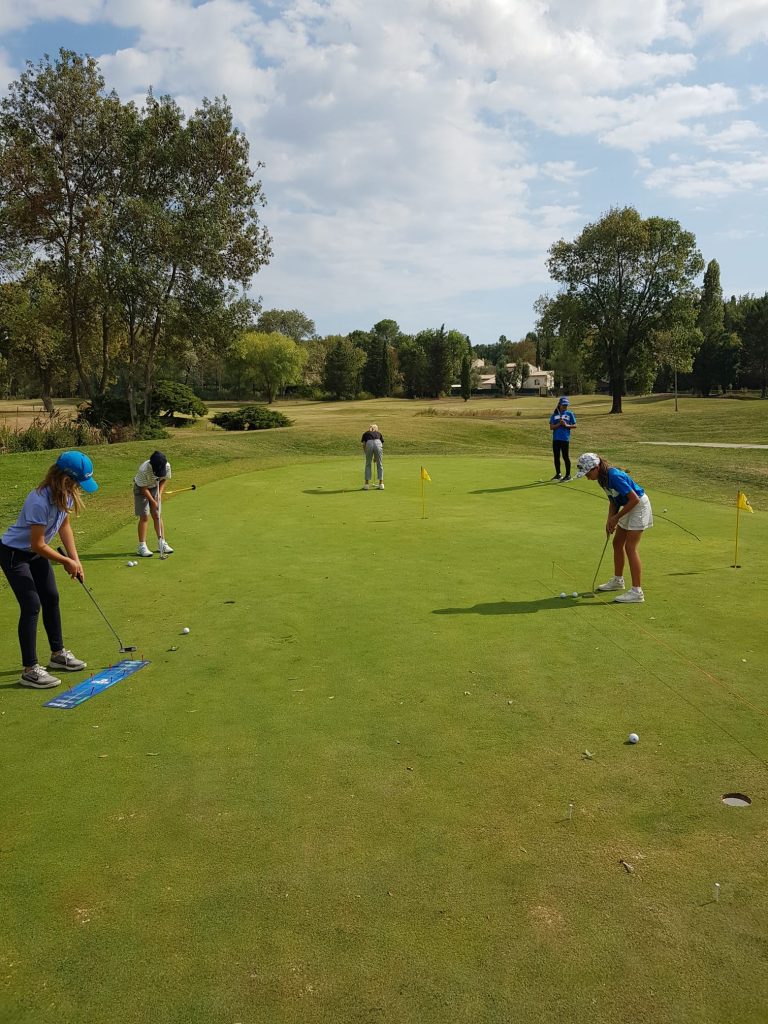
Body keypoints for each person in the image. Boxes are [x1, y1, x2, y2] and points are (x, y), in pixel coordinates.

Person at [0, 451, 97, 688]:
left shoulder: (66, 495)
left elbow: (64, 526)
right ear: (65, 478)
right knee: (32, 605)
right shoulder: (38, 500)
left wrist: (75, 559)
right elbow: (37, 543)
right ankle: (30, 670)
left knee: (51, 597)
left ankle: (57, 654)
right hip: (14, 554)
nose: (79, 488)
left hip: (36, 553)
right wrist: (65, 562)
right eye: (77, 482)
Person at [575, 452, 653, 603]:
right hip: (628, 505)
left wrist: (616, 517)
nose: (586, 476)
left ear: (596, 467)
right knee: (617, 543)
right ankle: (618, 581)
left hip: (638, 505)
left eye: (587, 472)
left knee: (630, 547)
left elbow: (634, 499)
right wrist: (610, 519)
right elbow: (613, 500)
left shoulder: (615, 476)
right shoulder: (602, 478)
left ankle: (637, 592)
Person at [134, 450, 173, 557]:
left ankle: (162, 543)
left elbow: (164, 480)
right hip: (142, 489)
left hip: (155, 487)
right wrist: (153, 501)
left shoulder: (167, 466)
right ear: (152, 465)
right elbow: (143, 489)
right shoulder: (144, 469)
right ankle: (142, 546)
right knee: (144, 516)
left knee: (157, 515)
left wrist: (159, 495)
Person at [549, 397, 576, 481]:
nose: (565, 406)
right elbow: (551, 427)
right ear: (559, 404)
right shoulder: (554, 415)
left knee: (565, 456)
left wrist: (566, 425)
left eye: (566, 405)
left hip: (565, 438)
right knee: (556, 456)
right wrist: (559, 424)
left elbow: (575, 425)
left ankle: (568, 475)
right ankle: (558, 474)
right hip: (556, 438)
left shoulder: (569, 414)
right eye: (563, 404)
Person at [361, 423, 384, 490]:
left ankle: (366, 485)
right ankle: (381, 484)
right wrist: (376, 457)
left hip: (369, 443)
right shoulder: (378, 433)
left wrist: (367, 454)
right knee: (380, 464)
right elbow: (381, 445)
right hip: (378, 442)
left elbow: (364, 445)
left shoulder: (365, 434)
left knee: (368, 464)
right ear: (376, 429)